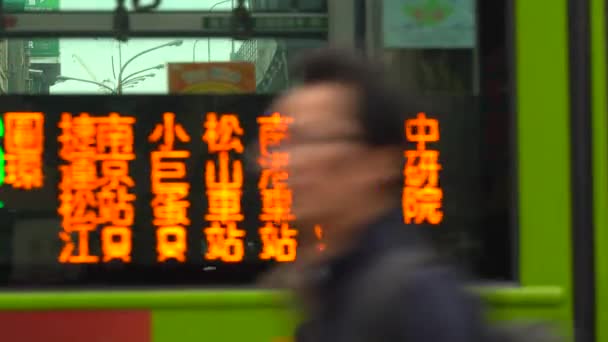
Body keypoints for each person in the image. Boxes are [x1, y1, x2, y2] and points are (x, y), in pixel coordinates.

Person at [258, 47, 485, 342]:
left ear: (380, 163)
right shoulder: (328, 289)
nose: (282, 162)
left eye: (307, 140)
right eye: (280, 142)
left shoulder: (417, 298)